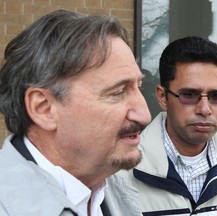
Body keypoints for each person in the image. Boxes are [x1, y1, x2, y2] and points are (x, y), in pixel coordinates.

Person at [0, 9, 151, 216]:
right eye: (117, 92)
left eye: (139, 87)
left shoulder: (120, 195)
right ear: (43, 109)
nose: (144, 115)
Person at [105, 36, 217, 215]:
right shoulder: (118, 174)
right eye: (190, 95)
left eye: (216, 96)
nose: (205, 109)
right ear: (163, 97)